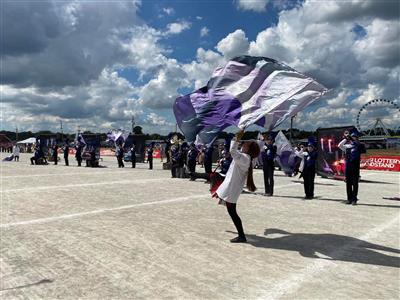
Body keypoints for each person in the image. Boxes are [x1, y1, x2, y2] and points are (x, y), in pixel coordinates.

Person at [213, 130, 260, 243]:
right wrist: (237, 138)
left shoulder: (245, 158)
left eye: (245, 145)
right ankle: (241, 234)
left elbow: (232, 150)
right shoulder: (247, 158)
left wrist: (237, 138)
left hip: (232, 187)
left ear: (248, 149)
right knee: (232, 210)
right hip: (232, 187)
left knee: (232, 212)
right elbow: (235, 151)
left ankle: (241, 235)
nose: (243, 145)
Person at [338, 130, 365, 205]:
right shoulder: (347, 146)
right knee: (348, 183)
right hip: (348, 167)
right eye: (353, 137)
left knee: (355, 184)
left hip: (355, 167)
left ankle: (354, 199)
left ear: (357, 138)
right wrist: (346, 138)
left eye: (355, 137)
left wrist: (352, 139)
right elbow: (339, 145)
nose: (353, 138)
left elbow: (359, 145)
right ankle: (349, 199)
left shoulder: (359, 145)